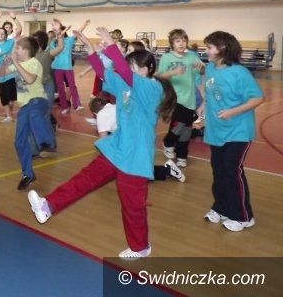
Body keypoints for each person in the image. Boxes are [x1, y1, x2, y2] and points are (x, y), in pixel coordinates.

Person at [27, 26, 176, 259]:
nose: (129, 70)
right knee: (84, 179)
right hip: (117, 149)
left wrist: (113, 47)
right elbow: (105, 74)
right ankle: (48, 206)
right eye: (129, 66)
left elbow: (124, 73)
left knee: (132, 206)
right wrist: (90, 49)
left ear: (148, 69)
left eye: (134, 66)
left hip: (135, 158)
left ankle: (140, 247)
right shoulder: (127, 86)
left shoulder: (153, 88)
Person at [196, 31, 264, 232]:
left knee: (232, 170)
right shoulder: (210, 68)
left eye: (209, 47)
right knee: (218, 170)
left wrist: (233, 111)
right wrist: (203, 107)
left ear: (222, 48)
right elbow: (208, 91)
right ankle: (221, 207)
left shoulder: (239, 72)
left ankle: (243, 216)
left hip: (238, 130)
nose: (206, 51)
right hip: (216, 131)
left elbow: (258, 98)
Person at [5, 36, 56, 190]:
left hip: (38, 100)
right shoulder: (18, 64)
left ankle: (46, 141)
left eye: (18, 48)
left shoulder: (34, 63)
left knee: (34, 113)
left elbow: (29, 80)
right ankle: (28, 174)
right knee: (19, 141)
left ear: (26, 51)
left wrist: (15, 63)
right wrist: (4, 62)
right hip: (24, 107)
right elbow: (2, 72)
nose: (15, 51)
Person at [158, 29, 205, 168]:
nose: (181, 43)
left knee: (187, 129)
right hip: (174, 98)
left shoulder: (191, 57)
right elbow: (159, 76)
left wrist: (201, 68)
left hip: (189, 98)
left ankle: (182, 155)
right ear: (172, 43)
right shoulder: (166, 57)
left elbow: (202, 70)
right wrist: (174, 72)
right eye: (178, 41)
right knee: (180, 124)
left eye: (184, 41)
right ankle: (168, 142)